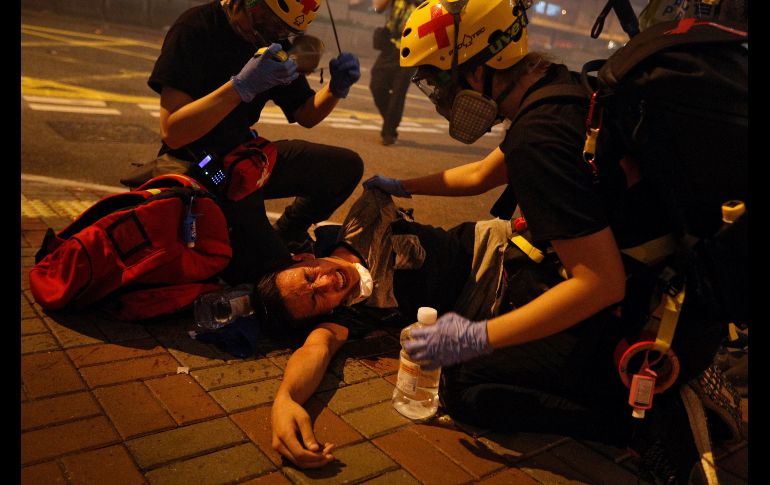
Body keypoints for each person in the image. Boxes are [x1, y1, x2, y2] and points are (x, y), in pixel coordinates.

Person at [355, 0, 733, 482]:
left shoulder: (541, 136)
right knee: (519, 294)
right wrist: (404, 185)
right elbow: (479, 175)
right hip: (677, 285)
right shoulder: (561, 88)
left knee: (467, 385)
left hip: (649, 319)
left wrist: (474, 338)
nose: (439, 94)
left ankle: (644, 419)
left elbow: (599, 284)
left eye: (439, 79)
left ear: (479, 68)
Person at [147, 0, 364, 282]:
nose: (267, 34)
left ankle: (288, 231)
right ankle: (253, 243)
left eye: (281, 30)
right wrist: (240, 87)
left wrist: (335, 88)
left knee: (344, 167)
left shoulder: (273, 41)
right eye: (264, 22)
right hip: (197, 161)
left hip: (245, 156)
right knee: (272, 272)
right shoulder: (196, 27)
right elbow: (174, 132)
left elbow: (305, 113)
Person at [369, 0, 420, 145]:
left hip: (411, 51)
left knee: (398, 93)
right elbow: (377, 8)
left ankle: (389, 132)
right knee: (376, 86)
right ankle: (391, 122)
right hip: (389, 48)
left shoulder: (426, 3)